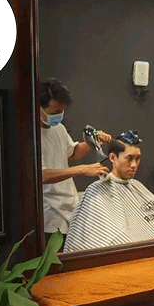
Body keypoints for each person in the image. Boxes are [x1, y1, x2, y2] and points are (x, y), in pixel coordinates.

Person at [64, 131, 154, 253]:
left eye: (137, 158)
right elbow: (111, 238)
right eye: (129, 158)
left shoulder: (136, 185)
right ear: (113, 158)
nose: (134, 165)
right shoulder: (97, 190)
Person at [38, 78, 111, 245]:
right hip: (50, 214)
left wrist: (92, 141)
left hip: (70, 207)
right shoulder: (31, 136)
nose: (59, 115)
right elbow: (41, 175)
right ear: (38, 107)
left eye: (62, 110)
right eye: (55, 111)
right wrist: (81, 170)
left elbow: (72, 152)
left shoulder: (58, 128)